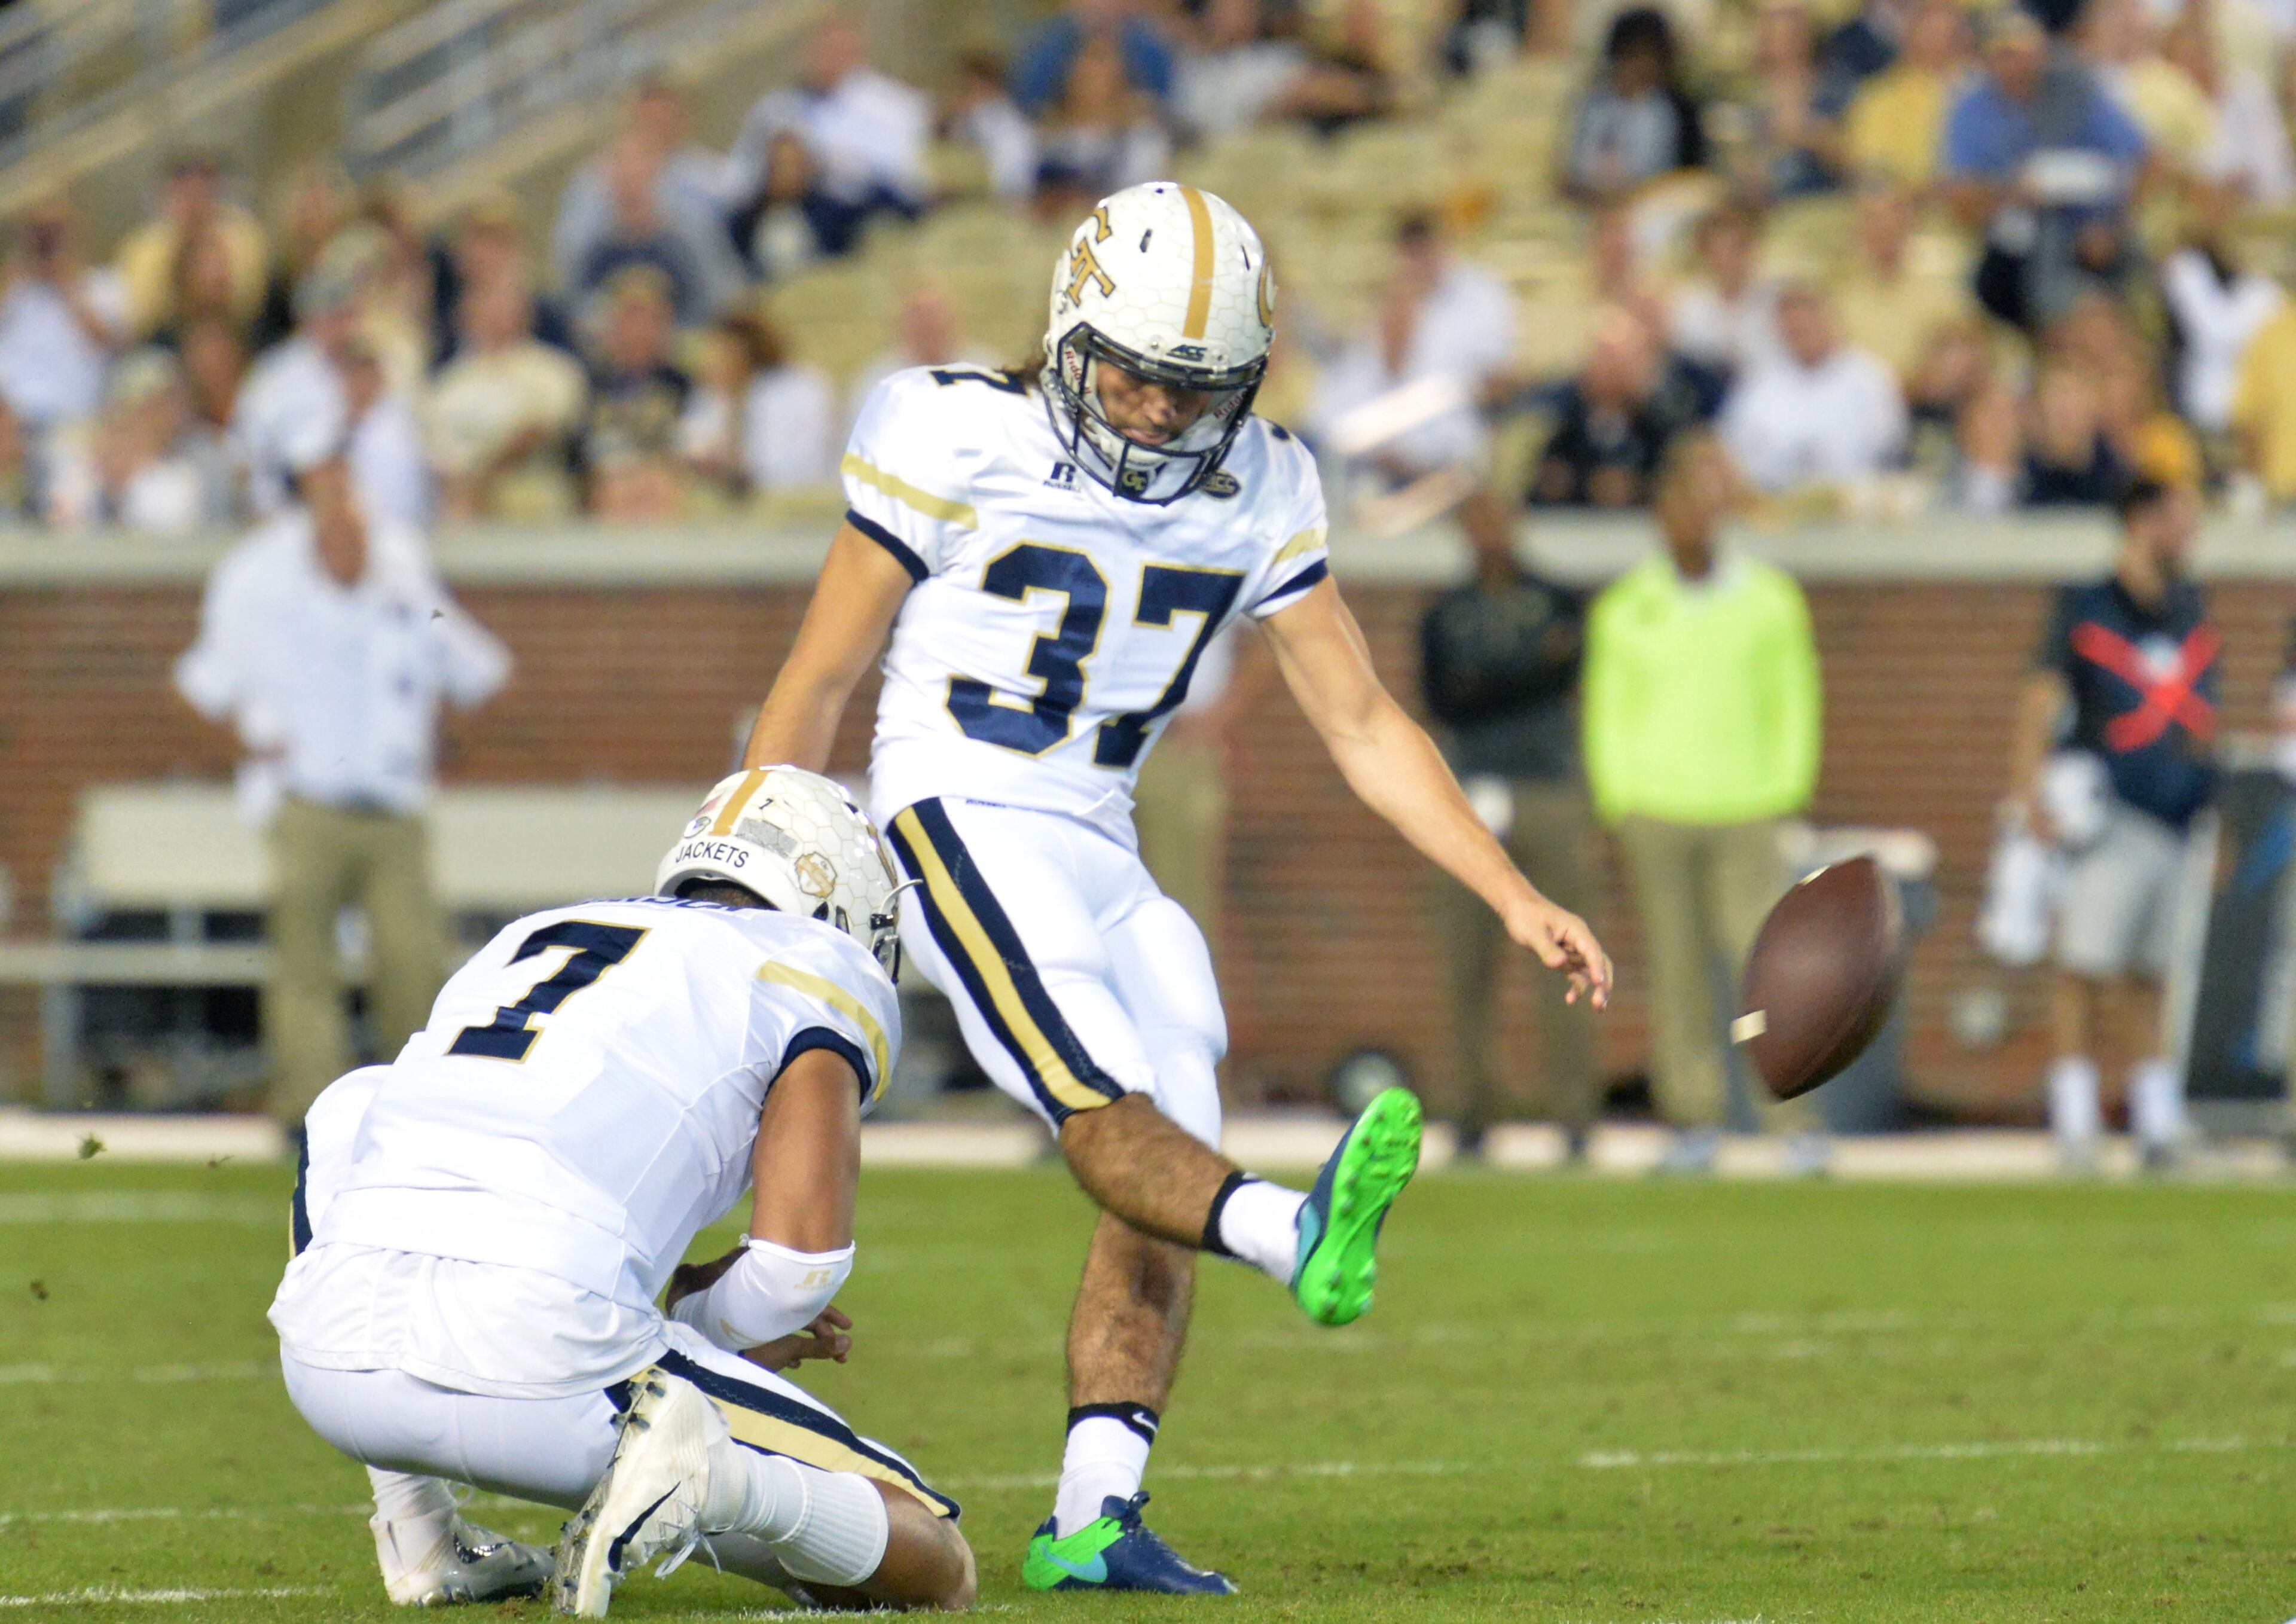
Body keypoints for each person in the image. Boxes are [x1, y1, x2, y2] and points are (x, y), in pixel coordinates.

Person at [741, 182, 1610, 1591]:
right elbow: (822, 672)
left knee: (1171, 1143)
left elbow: (1361, 722)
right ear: (1070, 335)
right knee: (1108, 1109)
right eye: (1134, 373)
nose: (1153, 409)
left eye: (1191, 385)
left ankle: (1093, 1513)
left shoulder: (1264, 480)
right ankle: (1294, 1228)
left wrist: (1509, 891)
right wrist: (747, 863)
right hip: (954, 806)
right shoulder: (952, 427)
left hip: (1104, 834)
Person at [270, 767, 976, 1614]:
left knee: (354, 1100)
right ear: (836, 899)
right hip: (550, 1369)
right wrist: (698, 1326)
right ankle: (711, 1479)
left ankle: (415, 1526)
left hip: (326, 1365)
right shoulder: (814, 965)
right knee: (936, 1560)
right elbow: (796, 1272)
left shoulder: (535, 934)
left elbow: (343, 1116)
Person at [173, 431, 509, 1131]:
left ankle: (418, 1105)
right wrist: (250, 748)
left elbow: (473, 668)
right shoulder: (262, 578)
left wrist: (442, 745)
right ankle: (308, 1109)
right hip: (307, 804)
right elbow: (200, 686)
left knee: (412, 960)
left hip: (394, 807)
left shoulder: (400, 566)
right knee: (304, 963)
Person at [1581, 432, 1822, 1174]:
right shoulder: (1627, 608)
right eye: (1682, 502)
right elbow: (1606, 709)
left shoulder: (1770, 601)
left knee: (1766, 968)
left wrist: (1786, 789)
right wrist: (1620, 797)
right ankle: (1694, 1120)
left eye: (1707, 500)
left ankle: (1794, 1124)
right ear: (1662, 514)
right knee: (1677, 973)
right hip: (1658, 809)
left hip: (1748, 807)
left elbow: (1796, 700)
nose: (1695, 517)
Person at [2005, 478, 2214, 1169]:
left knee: (2151, 975)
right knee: (2086, 966)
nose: (2189, 531)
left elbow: (2198, 718)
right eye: (2179, 515)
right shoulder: (2089, 603)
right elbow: (2043, 694)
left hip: (2174, 815)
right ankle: (2074, 1116)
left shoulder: (2188, 607)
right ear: (2141, 521)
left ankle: (2155, 1116)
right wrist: (2027, 787)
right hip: (2108, 809)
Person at [1418, 519, 1601, 1159]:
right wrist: (1525, 668)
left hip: (1549, 788)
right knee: (1466, 961)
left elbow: (1562, 676)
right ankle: (1471, 1110)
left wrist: (1489, 679)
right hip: (1470, 795)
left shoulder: (1557, 597)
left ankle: (1574, 1113)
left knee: (1569, 958)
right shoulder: (1446, 609)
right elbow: (1443, 695)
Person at [1941, 9, 2149, 332]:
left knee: (2122, 270)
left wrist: (2111, 225)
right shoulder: (1971, 109)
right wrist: (2011, 193)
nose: (2017, 66)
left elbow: (2144, 160)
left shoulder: (2076, 91)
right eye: (2005, 56)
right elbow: (1959, 197)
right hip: (2011, 241)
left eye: (2025, 55)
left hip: (2087, 231)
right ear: (1987, 61)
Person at [724, 19, 930, 266]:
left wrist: (835, 166)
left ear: (861, 54)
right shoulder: (776, 106)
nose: (833, 59)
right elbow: (740, 175)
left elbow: (907, 178)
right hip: (785, 207)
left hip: (860, 211)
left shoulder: (892, 105)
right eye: (826, 50)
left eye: (843, 51)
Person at [1718, 281, 1907, 495]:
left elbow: (1890, 452)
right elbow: (1732, 450)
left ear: (1829, 319)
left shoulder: (1871, 379)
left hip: (1853, 507)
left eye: (1807, 324)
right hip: (1774, 506)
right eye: (1793, 329)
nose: (1801, 333)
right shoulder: (1756, 383)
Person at [425, 274, 589, 521]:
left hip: (533, 497)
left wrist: (484, 476)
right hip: (462, 501)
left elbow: (541, 430)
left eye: (505, 308)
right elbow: (437, 446)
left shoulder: (554, 371)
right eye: (487, 307)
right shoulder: (450, 381)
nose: (496, 317)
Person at [0, 197, 124, 437]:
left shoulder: (101, 285)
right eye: (38, 232)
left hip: (70, 422)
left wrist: (67, 285)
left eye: (53, 231)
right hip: (9, 420)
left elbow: (110, 343)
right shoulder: (14, 291)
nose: (46, 242)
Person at [1561, 7, 1706, 203]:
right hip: (1588, 203)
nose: (1637, 66)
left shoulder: (1680, 112)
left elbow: (1686, 178)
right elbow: (1568, 172)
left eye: (1646, 57)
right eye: (1629, 56)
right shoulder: (1591, 107)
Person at [1842, 0, 1971, 191]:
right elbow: (1871, 167)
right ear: (1909, 38)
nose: (1940, 44)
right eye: (1931, 34)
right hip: (1904, 205)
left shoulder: (1984, 90)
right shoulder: (1878, 96)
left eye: (1949, 35)